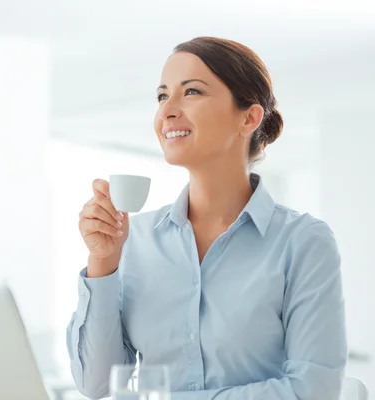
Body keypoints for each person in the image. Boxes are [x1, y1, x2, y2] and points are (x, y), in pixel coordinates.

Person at [66, 36, 347, 399]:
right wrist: (102, 262)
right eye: (162, 95)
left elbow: (314, 391)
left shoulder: (303, 242)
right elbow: (96, 384)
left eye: (192, 92)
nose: (167, 110)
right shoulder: (135, 239)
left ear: (248, 118)